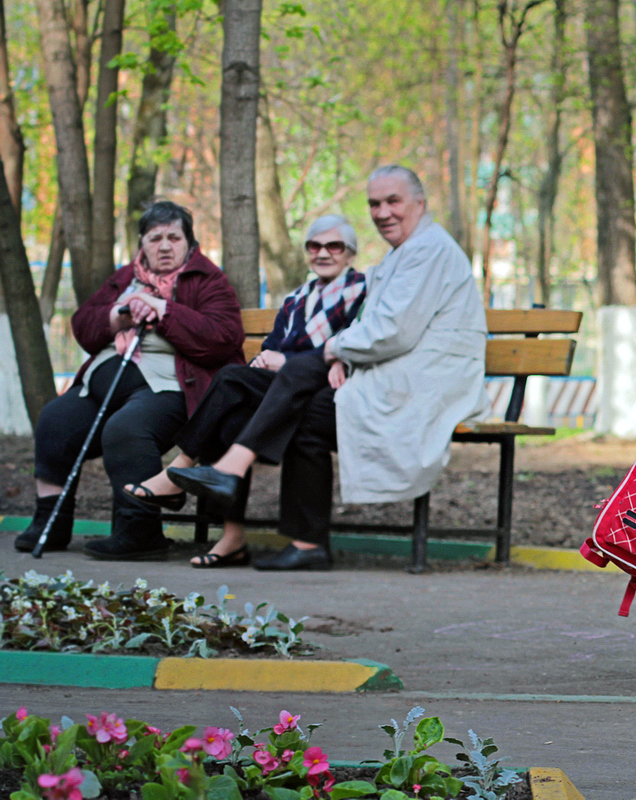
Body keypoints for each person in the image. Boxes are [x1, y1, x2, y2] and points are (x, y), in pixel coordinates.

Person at [167, 165, 489, 570]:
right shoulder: (405, 254)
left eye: (393, 201)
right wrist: (340, 355)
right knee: (279, 389)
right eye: (375, 203)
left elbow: (392, 332)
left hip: (426, 384)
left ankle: (251, 489)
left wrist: (335, 350)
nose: (383, 212)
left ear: (420, 204)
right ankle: (299, 537)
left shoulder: (427, 251)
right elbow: (376, 327)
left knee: (301, 392)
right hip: (394, 375)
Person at [123, 214, 367, 568]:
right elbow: (273, 344)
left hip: (328, 390)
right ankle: (232, 538)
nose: (324, 253)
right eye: (315, 246)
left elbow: (357, 342)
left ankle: (177, 471)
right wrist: (270, 357)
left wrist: (293, 361)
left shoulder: (362, 292)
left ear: (350, 253)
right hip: (286, 389)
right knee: (232, 406)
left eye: (334, 246)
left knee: (231, 381)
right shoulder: (297, 299)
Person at [15, 201, 245, 560]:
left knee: (126, 429)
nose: (164, 246)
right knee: (55, 421)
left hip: (170, 389)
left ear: (189, 242)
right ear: (142, 244)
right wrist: (119, 315)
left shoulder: (208, 280)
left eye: (173, 237)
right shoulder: (125, 279)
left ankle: (139, 532)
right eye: (155, 238)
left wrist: (163, 310)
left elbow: (222, 337)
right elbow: (83, 326)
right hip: (100, 387)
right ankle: (51, 522)